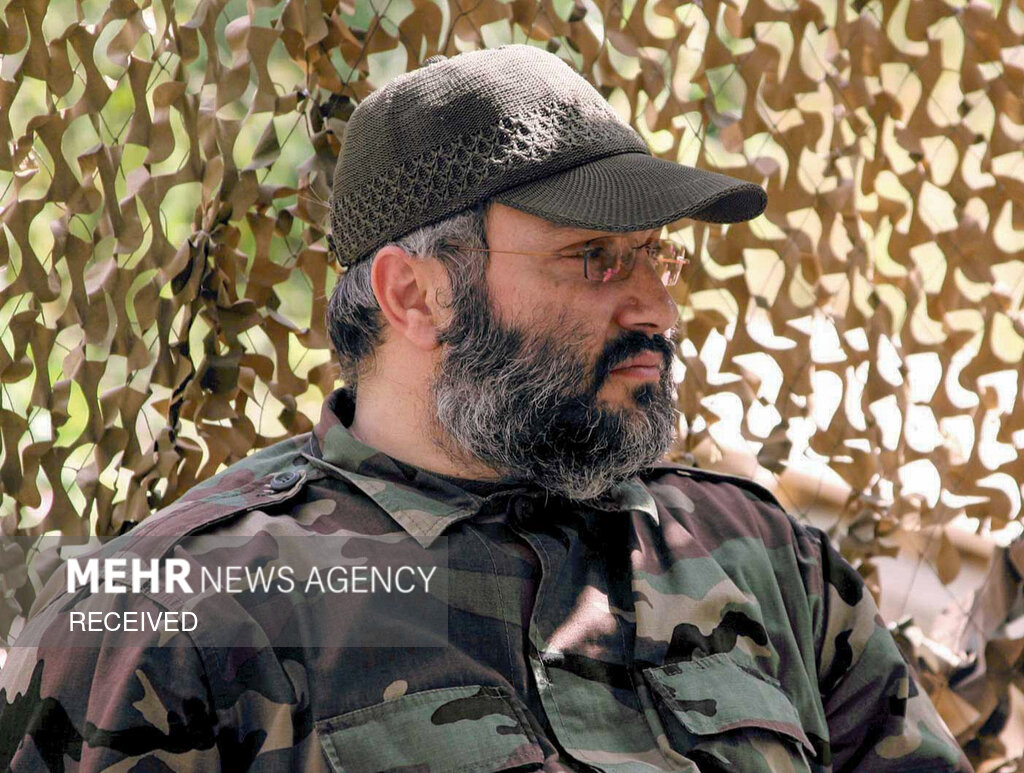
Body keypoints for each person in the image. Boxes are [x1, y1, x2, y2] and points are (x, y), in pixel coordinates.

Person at [0, 45, 972, 772]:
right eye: (595, 259)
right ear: (416, 294)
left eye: (658, 258)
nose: (658, 310)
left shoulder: (760, 555)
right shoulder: (173, 611)